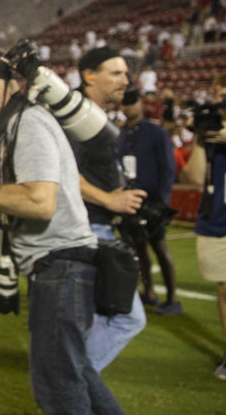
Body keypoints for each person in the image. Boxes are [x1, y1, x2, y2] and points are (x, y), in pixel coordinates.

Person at [0, 48, 124, 414]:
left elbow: (40, 202)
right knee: (77, 373)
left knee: (58, 386)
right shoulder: (17, 122)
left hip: (61, 265)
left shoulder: (30, 122)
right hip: (59, 266)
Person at [74, 47, 147, 371]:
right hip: (86, 230)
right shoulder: (75, 115)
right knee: (125, 318)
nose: (125, 80)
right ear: (90, 75)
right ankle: (67, 389)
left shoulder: (93, 114)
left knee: (98, 319)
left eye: (126, 73)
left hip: (97, 228)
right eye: (115, 73)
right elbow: (59, 171)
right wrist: (108, 200)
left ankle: (67, 391)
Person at [114, 87, 181, 314]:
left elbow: (168, 169)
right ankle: (149, 291)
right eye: (124, 104)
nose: (127, 108)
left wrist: (162, 202)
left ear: (140, 104)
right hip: (130, 199)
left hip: (152, 201)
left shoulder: (156, 132)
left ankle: (172, 298)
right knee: (138, 247)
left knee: (160, 247)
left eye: (131, 103)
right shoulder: (121, 134)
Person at [180, 73, 226, 379]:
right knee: (224, 289)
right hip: (217, 218)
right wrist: (200, 137)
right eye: (220, 95)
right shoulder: (212, 136)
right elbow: (194, 178)